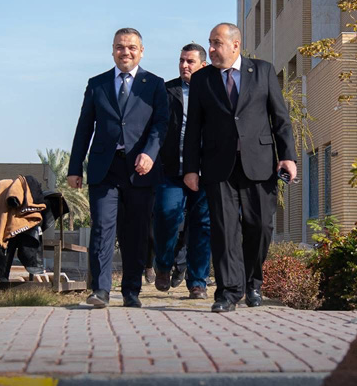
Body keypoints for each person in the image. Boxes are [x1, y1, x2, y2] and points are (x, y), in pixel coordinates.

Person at [183, 23, 297, 312]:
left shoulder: (262, 71)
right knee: (224, 230)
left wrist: (288, 156)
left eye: (216, 43)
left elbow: (280, 118)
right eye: (210, 43)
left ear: (235, 45)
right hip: (217, 166)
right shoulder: (202, 79)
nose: (211, 49)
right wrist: (191, 168)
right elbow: (194, 126)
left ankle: (252, 282)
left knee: (260, 226)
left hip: (259, 163)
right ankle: (228, 292)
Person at [68, 28, 168, 309]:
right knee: (102, 227)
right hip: (105, 168)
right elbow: (84, 127)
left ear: (141, 51)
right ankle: (100, 290)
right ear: (112, 50)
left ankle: (131, 291)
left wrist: (150, 154)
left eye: (132, 47)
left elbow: (161, 124)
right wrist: (74, 167)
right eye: (120, 47)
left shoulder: (154, 84)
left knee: (135, 232)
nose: (126, 52)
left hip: (140, 169)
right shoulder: (97, 84)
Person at [152, 43, 212, 299]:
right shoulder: (167, 91)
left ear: (203, 65)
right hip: (171, 170)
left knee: (203, 225)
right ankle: (163, 265)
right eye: (181, 61)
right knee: (166, 216)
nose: (184, 65)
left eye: (190, 61)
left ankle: (198, 281)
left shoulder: (214, 90)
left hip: (205, 171)